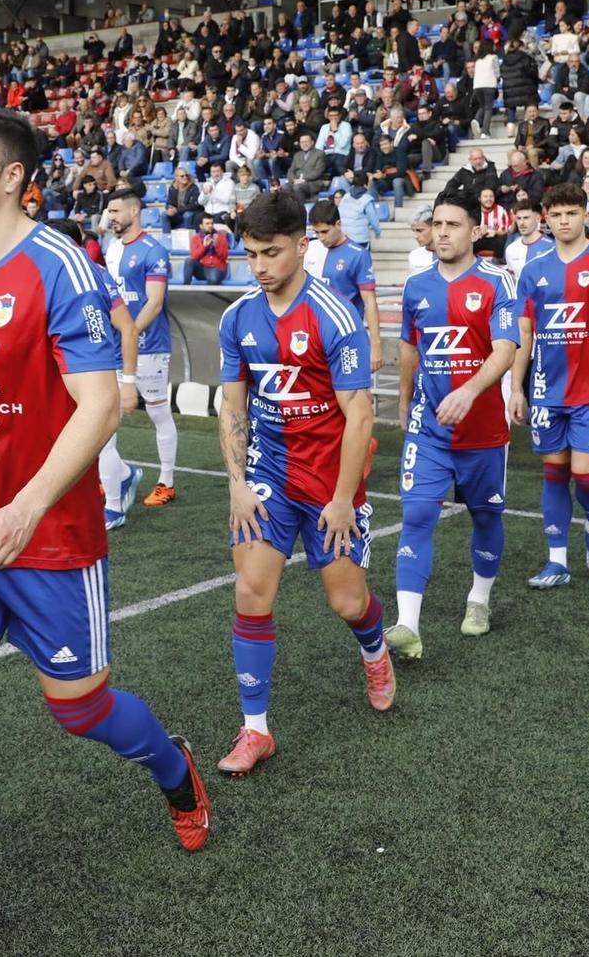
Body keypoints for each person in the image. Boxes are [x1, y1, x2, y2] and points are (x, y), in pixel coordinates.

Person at [0, 106, 209, 955]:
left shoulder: (61, 265)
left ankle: (175, 769)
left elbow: (100, 402)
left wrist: (26, 505)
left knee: (81, 709)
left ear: (12, 176)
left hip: (50, 535)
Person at [214, 191, 392, 777]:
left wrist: (343, 500)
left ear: (301, 245)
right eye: (251, 255)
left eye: (271, 252)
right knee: (250, 593)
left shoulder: (334, 316)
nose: (261, 266)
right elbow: (232, 407)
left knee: (347, 602)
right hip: (267, 475)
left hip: (329, 482)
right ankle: (255, 730)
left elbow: (360, 416)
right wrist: (238, 483)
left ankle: (374, 645)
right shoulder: (238, 317)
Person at [387, 190, 518, 656]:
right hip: (430, 428)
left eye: (453, 224)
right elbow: (408, 347)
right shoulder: (415, 286)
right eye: (437, 224)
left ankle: (479, 599)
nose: (442, 232)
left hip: (483, 432)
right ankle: (407, 625)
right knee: (417, 514)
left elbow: (505, 349)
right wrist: (404, 401)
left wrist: (469, 391)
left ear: (474, 231)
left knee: (485, 516)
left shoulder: (497, 283)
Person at [511, 183, 589, 588]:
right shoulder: (533, 267)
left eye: (572, 213)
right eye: (557, 213)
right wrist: (516, 387)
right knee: (554, 472)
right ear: (546, 216)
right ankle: (557, 562)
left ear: (586, 215)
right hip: (547, 391)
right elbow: (524, 332)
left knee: (586, 476)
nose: (564, 221)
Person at [51, 218, 144, 531]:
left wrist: (128, 381)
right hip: (73, 369)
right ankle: (124, 476)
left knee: (100, 440)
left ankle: (114, 507)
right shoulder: (52, 275)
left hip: (105, 369)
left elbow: (127, 327)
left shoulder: (96, 275)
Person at [103, 188, 180, 508]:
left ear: (134, 212)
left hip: (148, 345)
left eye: (116, 211)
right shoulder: (111, 248)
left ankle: (167, 481)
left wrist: (131, 333)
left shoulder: (153, 250)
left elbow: (155, 301)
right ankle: (114, 478)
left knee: (159, 412)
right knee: (106, 414)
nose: (111, 217)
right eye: (109, 211)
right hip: (117, 344)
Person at [308, 198, 383, 373]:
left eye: (325, 231)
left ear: (338, 224)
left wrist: (376, 344)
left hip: (347, 338)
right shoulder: (311, 250)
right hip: (315, 338)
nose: (321, 237)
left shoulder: (358, 255)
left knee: (352, 395)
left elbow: (370, 302)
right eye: (317, 232)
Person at [502, 202, 553, 280]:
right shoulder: (511, 249)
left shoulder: (552, 247)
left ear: (538, 219)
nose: (521, 223)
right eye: (519, 218)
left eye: (526, 218)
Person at [185, 212, 231, 285]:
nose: (210, 226)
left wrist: (216, 245)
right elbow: (194, 256)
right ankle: (186, 288)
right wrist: (204, 246)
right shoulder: (195, 238)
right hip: (202, 268)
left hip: (216, 267)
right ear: (201, 226)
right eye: (207, 224)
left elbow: (224, 256)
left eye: (211, 223)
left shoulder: (221, 237)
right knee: (189, 261)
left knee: (213, 279)